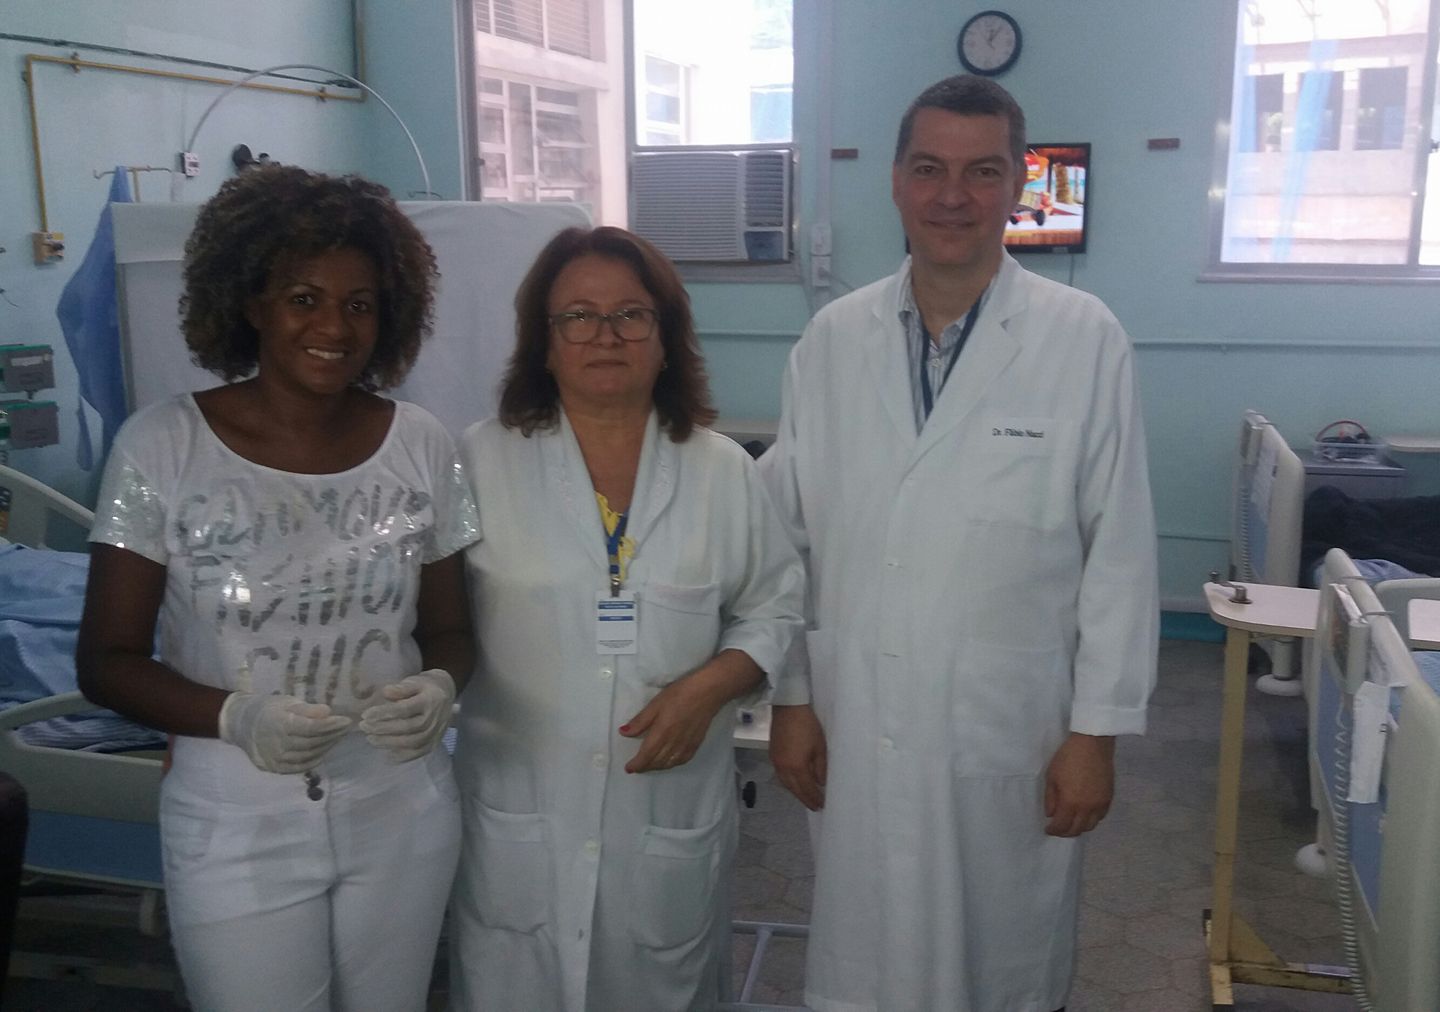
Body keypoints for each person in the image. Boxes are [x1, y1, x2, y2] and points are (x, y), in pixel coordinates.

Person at [760, 75, 1159, 1012]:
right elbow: (786, 541)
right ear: (896, 180)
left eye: (982, 171)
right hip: (858, 714)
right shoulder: (831, 340)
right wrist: (791, 698)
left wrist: (1095, 734)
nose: (953, 196)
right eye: (929, 168)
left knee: (999, 959)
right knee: (867, 956)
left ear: (1019, 184)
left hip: (1009, 725)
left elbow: (1120, 552)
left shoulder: (1082, 339)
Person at [76, 165, 478, 1012]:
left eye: (359, 303)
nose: (334, 326)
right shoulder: (162, 448)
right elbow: (106, 661)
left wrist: (442, 685)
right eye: (303, 298)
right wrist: (235, 717)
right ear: (252, 302)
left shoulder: (422, 446)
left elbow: (451, 630)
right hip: (234, 821)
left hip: (400, 803)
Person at [448, 225, 805, 1011]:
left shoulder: (721, 471)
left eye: (631, 315)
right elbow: (435, 621)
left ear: (666, 338)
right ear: (544, 344)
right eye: (578, 316)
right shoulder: (479, 461)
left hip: (665, 812)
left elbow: (775, 604)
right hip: (521, 811)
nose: (605, 336)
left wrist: (711, 686)